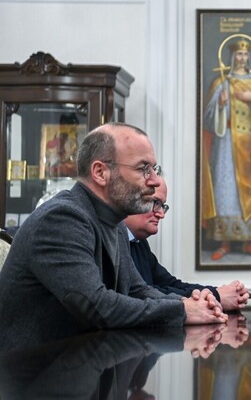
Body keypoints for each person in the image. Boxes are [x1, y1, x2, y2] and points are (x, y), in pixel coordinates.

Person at [0, 123, 227, 352]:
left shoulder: (114, 221)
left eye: (153, 169)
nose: (155, 181)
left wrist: (187, 304)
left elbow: (138, 290)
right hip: (33, 378)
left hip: (83, 366)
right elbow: (96, 307)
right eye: (143, 169)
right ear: (100, 172)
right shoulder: (62, 218)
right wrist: (183, 311)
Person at [125, 177, 250, 311]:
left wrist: (218, 291)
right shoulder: (113, 241)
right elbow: (142, 293)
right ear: (127, 199)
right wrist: (216, 296)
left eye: (162, 206)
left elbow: (170, 284)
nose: (161, 214)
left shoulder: (139, 242)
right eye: (155, 202)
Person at [202, 39, 251, 260]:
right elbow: (207, 120)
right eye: (238, 55)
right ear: (232, 58)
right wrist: (221, 105)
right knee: (227, 190)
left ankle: (248, 243)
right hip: (227, 144)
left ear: (249, 58)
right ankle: (225, 242)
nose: (242, 59)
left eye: (245, 55)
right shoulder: (222, 82)